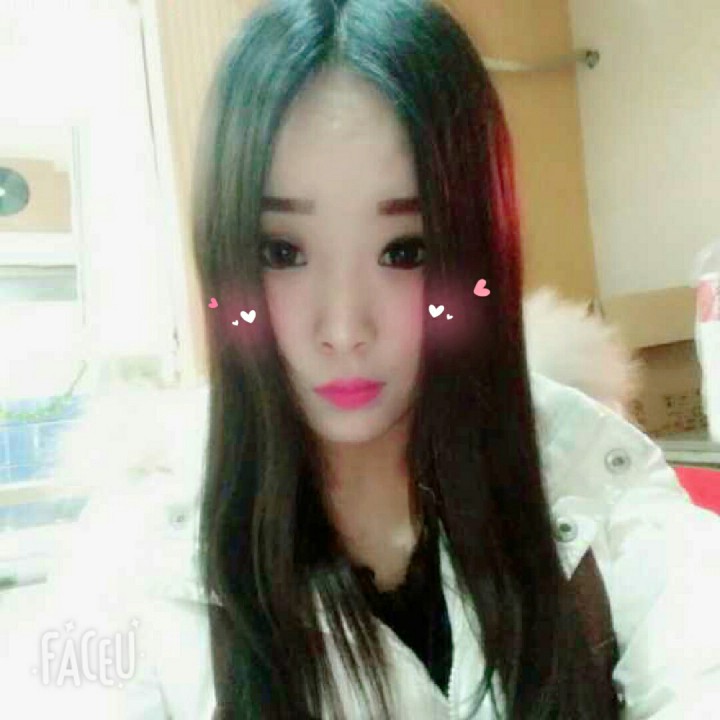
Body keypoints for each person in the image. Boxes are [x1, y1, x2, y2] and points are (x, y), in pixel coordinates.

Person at [8, 0, 719, 718]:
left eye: (405, 251)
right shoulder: (133, 560)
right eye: (282, 251)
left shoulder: (591, 478)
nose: (344, 328)